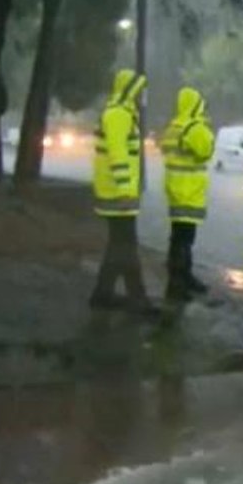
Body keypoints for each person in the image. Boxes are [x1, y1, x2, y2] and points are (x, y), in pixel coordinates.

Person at [89, 69, 160, 317]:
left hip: (114, 191)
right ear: (128, 90)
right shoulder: (118, 115)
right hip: (118, 194)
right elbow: (118, 155)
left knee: (118, 245)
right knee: (126, 245)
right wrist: (124, 190)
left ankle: (103, 294)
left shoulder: (120, 113)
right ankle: (137, 300)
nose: (140, 96)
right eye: (137, 91)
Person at [161, 86, 215, 302]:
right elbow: (206, 150)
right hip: (189, 191)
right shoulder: (193, 128)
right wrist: (203, 126)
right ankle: (178, 284)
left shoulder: (174, 126)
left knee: (178, 238)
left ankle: (183, 278)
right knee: (184, 239)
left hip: (175, 189)